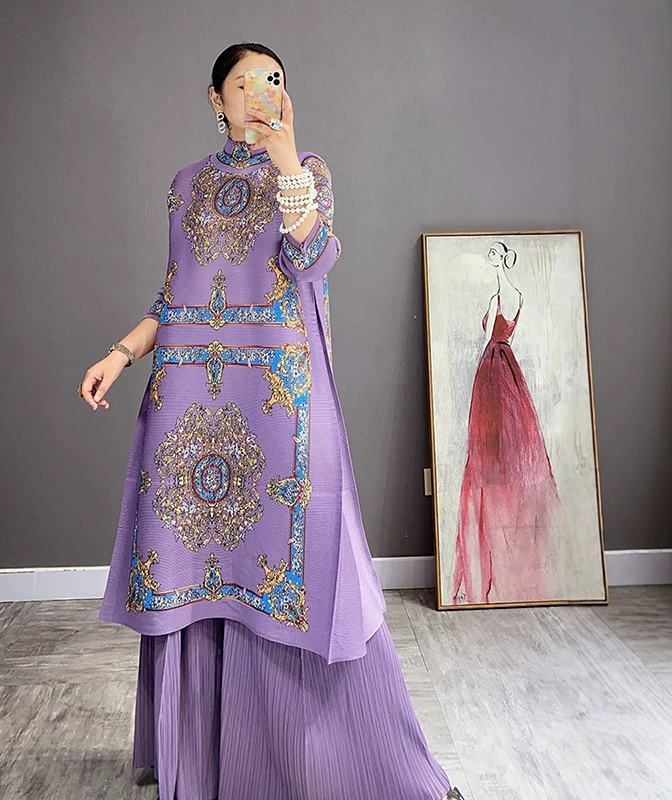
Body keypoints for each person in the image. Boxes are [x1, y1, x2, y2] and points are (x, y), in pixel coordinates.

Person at [80, 41, 465, 800]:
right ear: (216, 99)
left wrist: (286, 158)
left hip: (280, 403)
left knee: (299, 571)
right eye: (245, 82)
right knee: (193, 574)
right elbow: (177, 292)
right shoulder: (185, 185)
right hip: (188, 406)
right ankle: (206, 766)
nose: (262, 91)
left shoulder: (307, 171)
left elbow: (312, 256)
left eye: (275, 80)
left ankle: (356, 766)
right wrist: (120, 354)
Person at [452, 241, 560, 605]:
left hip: (491, 367)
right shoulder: (519, 298)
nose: (489, 260)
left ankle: (495, 483)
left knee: (489, 436)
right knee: (512, 431)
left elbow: (487, 339)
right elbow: (510, 334)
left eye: (492, 256)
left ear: (501, 259)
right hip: (510, 366)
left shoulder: (498, 297)